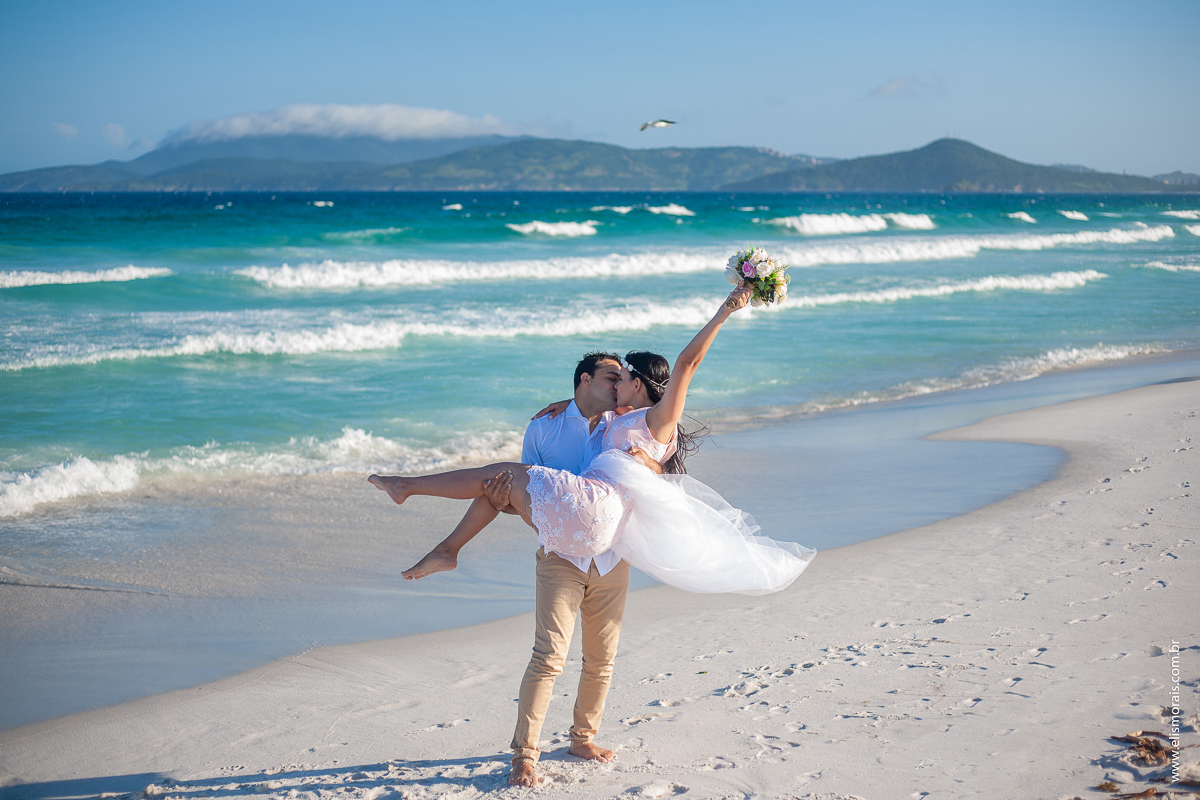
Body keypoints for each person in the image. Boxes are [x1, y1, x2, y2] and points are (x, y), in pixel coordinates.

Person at [368, 282, 815, 785]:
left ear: (639, 385)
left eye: (622, 378)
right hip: (569, 540)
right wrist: (566, 403)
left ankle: (581, 736)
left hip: (606, 543)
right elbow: (581, 420)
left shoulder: (651, 420)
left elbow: (686, 367)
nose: (615, 383)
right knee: (546, 644)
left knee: (599, 657)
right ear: (588, 383)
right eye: (609, 377)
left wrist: (726, 310)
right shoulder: (583, 421)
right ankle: (526, 753)